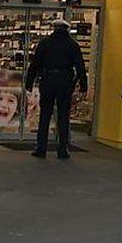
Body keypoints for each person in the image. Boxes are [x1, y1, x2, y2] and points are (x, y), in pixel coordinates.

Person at [25, 19, 88, 159]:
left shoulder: (45, 43)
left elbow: (34, 64)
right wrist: (83, 85)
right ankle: (63, 149)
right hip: (65, 82)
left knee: (45, 115)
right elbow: (80, 66)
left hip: (47, 80)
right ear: (67, 29)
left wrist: (28, 83)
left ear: (54, 28)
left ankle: (41, 148)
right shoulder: (72, 45)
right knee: (63, 116)